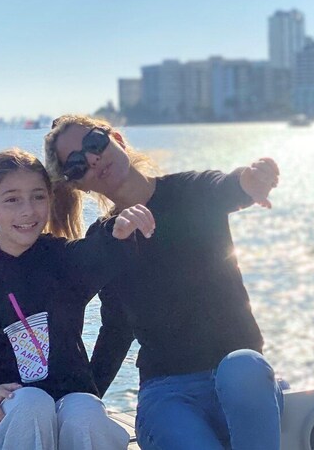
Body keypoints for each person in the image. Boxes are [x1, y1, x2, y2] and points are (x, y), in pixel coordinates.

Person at [44, 115, 283, 450]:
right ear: (78, 184)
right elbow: (116, 329)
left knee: (244, 365)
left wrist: (252, 180)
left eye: (94, 143)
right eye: (77, 164)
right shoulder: (106, 239)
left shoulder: (189, 190)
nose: (93, 159)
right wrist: (79, 404)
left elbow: (229, 187)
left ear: (117, 139)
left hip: (241, 383)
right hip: (168, 396)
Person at [0, 148, 154, 450]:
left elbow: (102, 254)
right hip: (2, 422)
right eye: (12, 200)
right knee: (32, 403)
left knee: (85, 409)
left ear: (50, 199)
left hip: (67, 411)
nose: (28, 211)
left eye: (38, 197)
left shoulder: (63, 261)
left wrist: (121, 228)